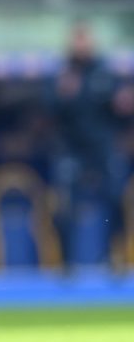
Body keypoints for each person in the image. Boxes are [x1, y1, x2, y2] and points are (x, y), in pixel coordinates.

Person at [47, 23, 134, 269]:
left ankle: (112, 256)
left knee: (116, 197)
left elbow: (121, 112)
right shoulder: (61, 73)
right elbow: (48, 108)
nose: (82, 45)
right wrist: (62, 95)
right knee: (64, 204)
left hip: (103, 147)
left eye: (85, 40)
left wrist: (124, 106)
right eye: (78, 40)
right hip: (70, 147)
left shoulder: (105, 72)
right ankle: (66, 261)